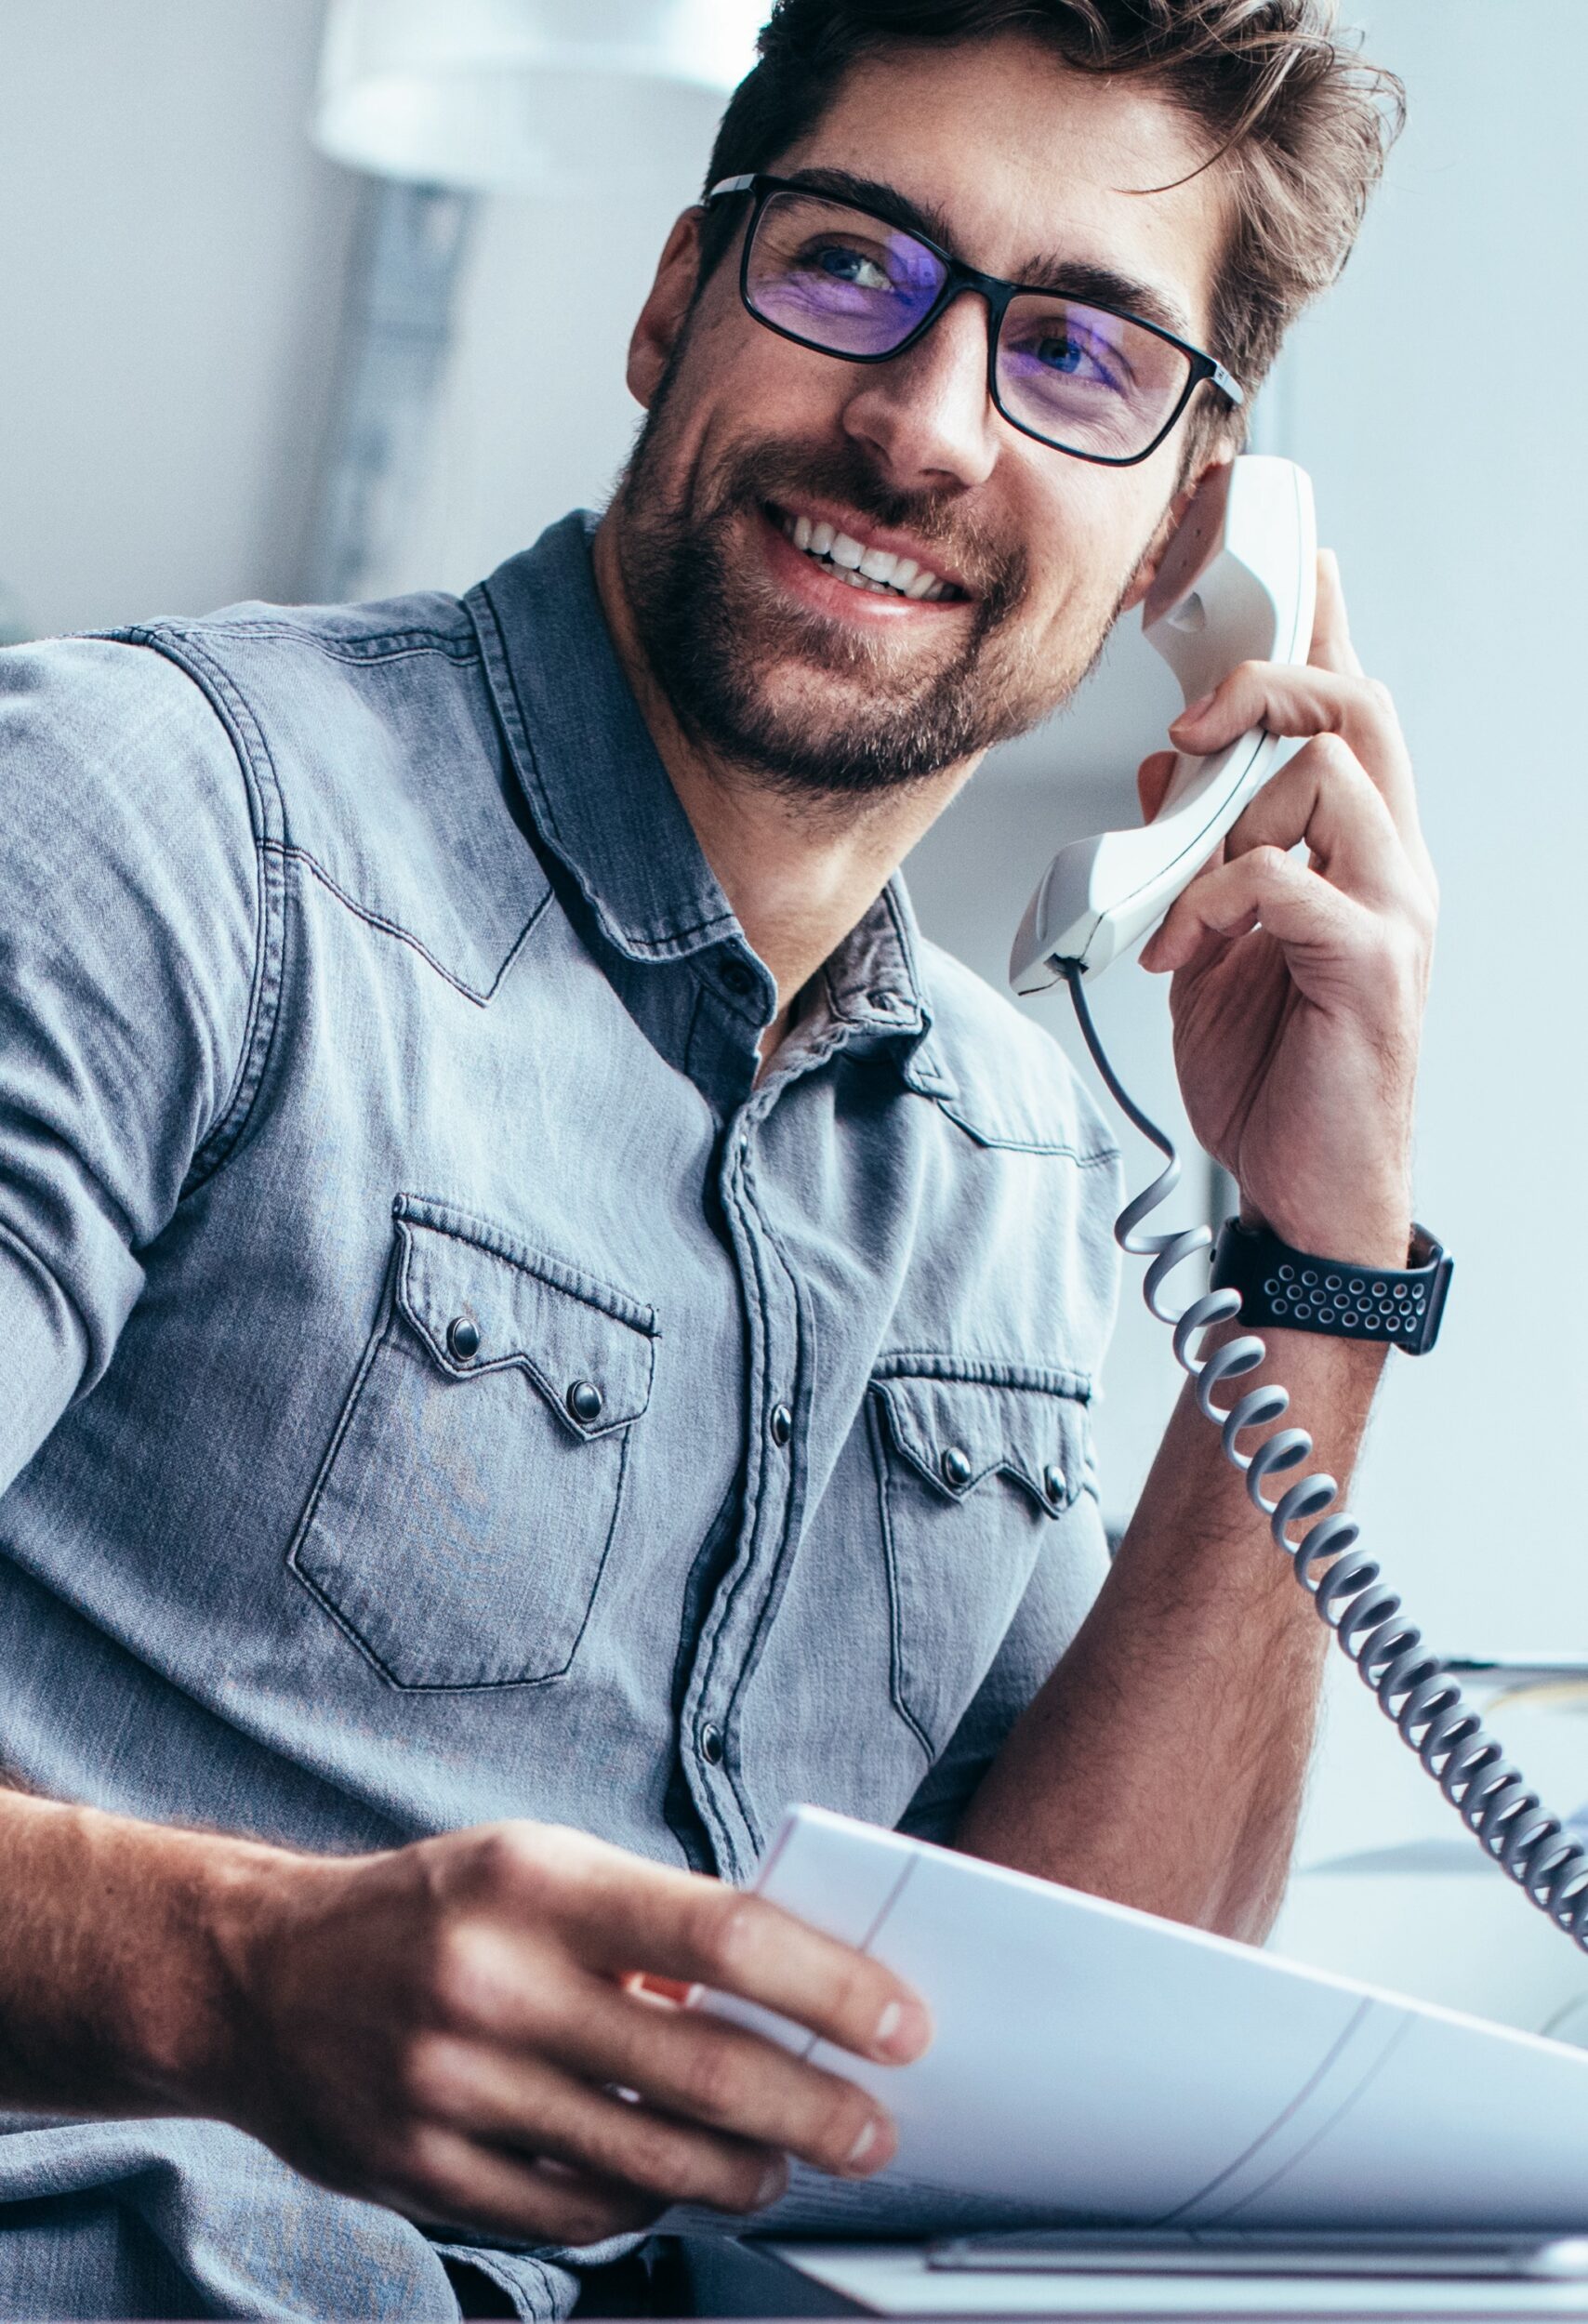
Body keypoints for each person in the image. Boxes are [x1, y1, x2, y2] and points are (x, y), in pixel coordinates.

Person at [0, 0, 1430, 2314]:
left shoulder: (1011, 1172)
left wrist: (1318, 1259)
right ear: (678, 295)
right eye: (851, 263)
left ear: (1188, 529)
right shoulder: (151, 822)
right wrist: (228, 1974)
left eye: (1073, 354)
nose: (922, 425)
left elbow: (1046, 2076)